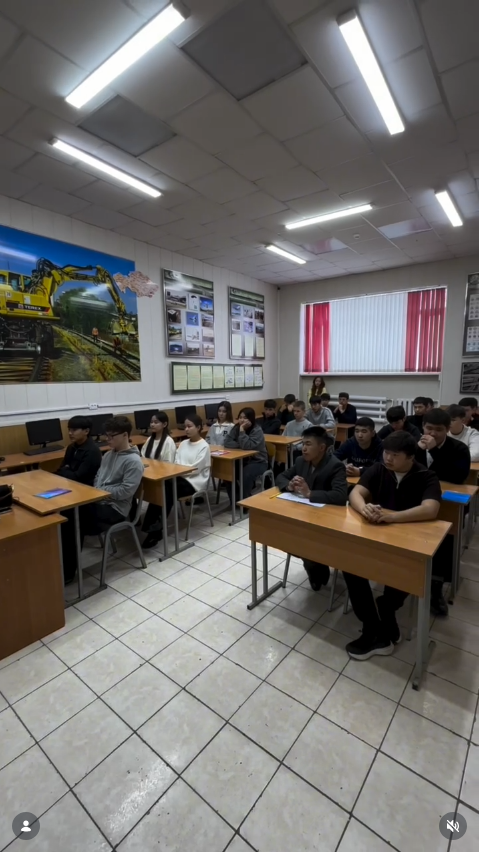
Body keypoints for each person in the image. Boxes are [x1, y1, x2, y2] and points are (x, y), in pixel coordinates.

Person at [344, 431, 442, 660]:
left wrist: (392, 517)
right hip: (377, 537)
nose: (388, 458)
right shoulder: (379, 469)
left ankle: (386, 610)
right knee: (350, 566)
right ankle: (372, 627)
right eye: (386, 453)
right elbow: (356, 493)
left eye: (395, 455)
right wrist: (364, 508)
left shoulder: (426, 475)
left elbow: (431, 509)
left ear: (410, 457)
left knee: (403, 574)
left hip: (409, 543)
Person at [61, 416, 144, 582]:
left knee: (73, 517)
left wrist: (101, 491)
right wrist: (99, 491)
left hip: (115, 509)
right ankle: (63, 566)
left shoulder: (134, 462)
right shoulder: (107, 455)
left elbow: (125, 492)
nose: (108, 439)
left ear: (125, 435)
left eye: (112, 436)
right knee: (66, 512)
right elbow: (97, 479)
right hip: (99, 501)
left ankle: (67, 572)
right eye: (107, 435)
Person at [276, 426, 347, 590]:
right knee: (286, 539)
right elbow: (281, 476)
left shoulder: (335, 466)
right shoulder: (301, 461)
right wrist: (289, 485)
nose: (304, 448)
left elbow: (340, 496)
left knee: (305, 546)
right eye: (303, 444)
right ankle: (316, 566)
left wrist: (310, 493)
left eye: (308, 444)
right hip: (303, 516)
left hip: (326, 521)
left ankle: (316, 568)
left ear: (322, 447)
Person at [416, 407, 471, 616]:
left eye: (438, 430)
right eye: (429, 428)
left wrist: (434, 451)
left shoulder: (458, 448)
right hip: (417, 499)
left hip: (445, 501)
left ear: (447, 429)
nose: (432, 433)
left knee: (445, 536)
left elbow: (457, 476)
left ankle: (436, 586)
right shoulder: (415, 446)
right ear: (423, 427)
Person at [143, 414, 211, 547]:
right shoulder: (183, 443)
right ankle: (154, 529)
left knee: (166, 489)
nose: (186, 429)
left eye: (189, 426)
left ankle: (154, 530)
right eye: (185, 426)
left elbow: (196, 468)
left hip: (193, 482)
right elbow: (175, 461)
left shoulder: (204, 446)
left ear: (198, 427)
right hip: (179, 477)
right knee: (162, 489)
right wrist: (179, 470)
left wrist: (180, 470)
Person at [224, 407, 268, 502]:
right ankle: (235, 500)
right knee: (227, 471)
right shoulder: (236, 427)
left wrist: (242, 431)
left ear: (251, 419)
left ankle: (245, 501)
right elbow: (227, 442)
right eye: (240, 417)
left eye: (245, 418)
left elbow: (248, 445)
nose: (242, 420)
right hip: (242, 460)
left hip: (258, 461)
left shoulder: (257, 430)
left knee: (246, 474)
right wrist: (241, 445)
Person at [56, 416, 102, 485]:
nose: (70, 433)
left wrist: (66, 469)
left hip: (85, 487)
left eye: (74, 430)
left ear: (86, 431)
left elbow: (78, 477)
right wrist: (67, 470)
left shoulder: (92, 451)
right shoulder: (71, 447)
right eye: (69, 430)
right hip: (70, 483)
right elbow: (60, 469)